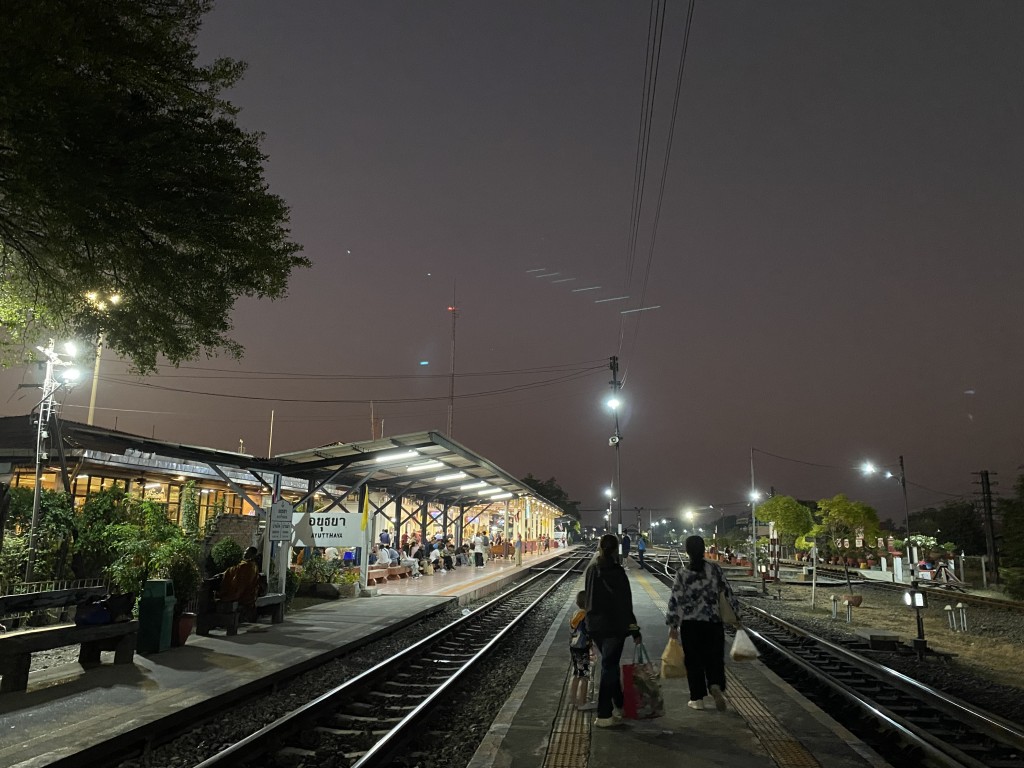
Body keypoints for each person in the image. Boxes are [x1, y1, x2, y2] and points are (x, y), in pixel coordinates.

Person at [665, 535, 742, 712]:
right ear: (703, 549)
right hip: (713, 622)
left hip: (690, 624)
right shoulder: (715, 569)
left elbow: (675, 600)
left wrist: (673, 625)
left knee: (693, 661)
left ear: (687, 551)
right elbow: (727, 593)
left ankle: (697, 699)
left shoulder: (683, 574)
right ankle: (715, 684)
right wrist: (737, 616)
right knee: (714, 658)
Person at [585, 533, 641, 728]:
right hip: (615, 627)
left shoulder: (592, 570)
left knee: (610, 663)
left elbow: (588, 598)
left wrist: (588, 625)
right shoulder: (618, 573)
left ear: (600, 547)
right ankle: (604, 714)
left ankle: (621, 704)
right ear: (616, 549)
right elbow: (626, 606)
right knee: (609, 666)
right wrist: (635, 631)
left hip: (595, 626)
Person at [217, 546, 262, 620]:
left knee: (226, 595)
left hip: (243, 593)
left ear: (252, 555)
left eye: (247, 552)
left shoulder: (247, 566)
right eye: (245, 551)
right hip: (250, 592)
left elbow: (239, 581)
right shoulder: (251, 565)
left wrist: (227, 573)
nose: (244, 553)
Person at [568, 590, 596, 710]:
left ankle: (573, 700)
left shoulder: (576, 614)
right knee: (584, 675)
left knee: (576, 673)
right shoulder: (586, 617)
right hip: (582, 648)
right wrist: (592, 646)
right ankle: (582, 703)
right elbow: (588, 633)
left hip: (573, 647)